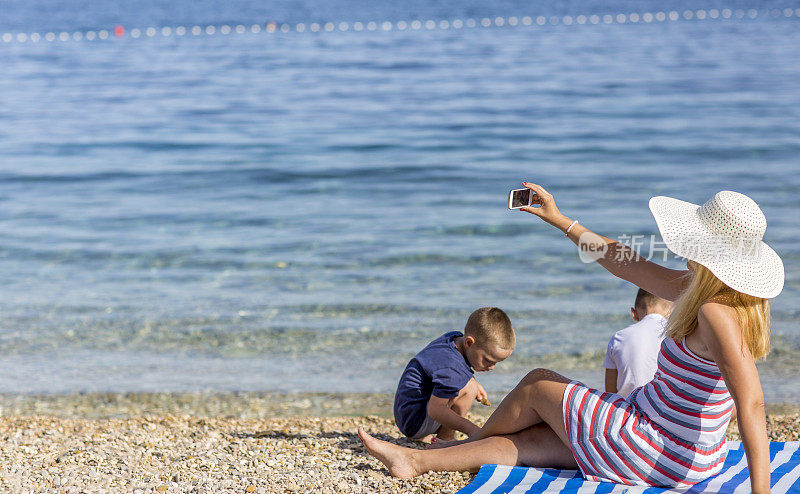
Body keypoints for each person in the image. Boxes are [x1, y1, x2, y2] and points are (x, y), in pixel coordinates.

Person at [359, 184, 781, 493]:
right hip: (666, 436)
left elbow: (752, 402)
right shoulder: (714, 295)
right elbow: (624, 262)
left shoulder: (713, 311)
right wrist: (559, 218)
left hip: (661, 446)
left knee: (538, 383)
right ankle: (414, 460)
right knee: (527, 443)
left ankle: (472, 437)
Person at [393, 307, 515, 442]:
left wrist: (471, 379)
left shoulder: (452, 339)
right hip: (414, 423)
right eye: (487, 360)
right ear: (469, 342)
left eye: (496, 363)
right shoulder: (453, 370)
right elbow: (435, 410)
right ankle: (446, 437)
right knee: (470, 389)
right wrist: (470, 428)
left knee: (469, 383)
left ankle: (429, 433)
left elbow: (442, 370)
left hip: (405, 412)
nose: (491, 367)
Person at [604, 288, 672, 398]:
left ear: (634, 314)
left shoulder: (618, 337)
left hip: (627, 411)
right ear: (671, 312)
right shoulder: (678, 336)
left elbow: (610, 394)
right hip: (667, 411)